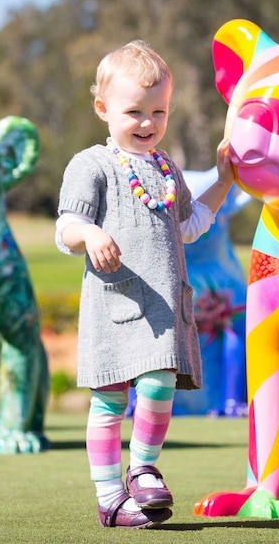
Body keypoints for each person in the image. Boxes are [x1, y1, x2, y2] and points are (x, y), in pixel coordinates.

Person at [55, 40, 234, 529]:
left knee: (158, 384)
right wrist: (90, 233)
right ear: (103, 108)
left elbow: (190, 224)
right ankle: (111, 498)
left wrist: (222, 180)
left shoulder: (165, 168)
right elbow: (65, 229)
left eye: (159, 111)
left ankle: (144, 467)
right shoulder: (91, 165)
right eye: (134, 111)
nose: (147, 122)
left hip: (162, 309)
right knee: (110, 401)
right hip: (114, 306)